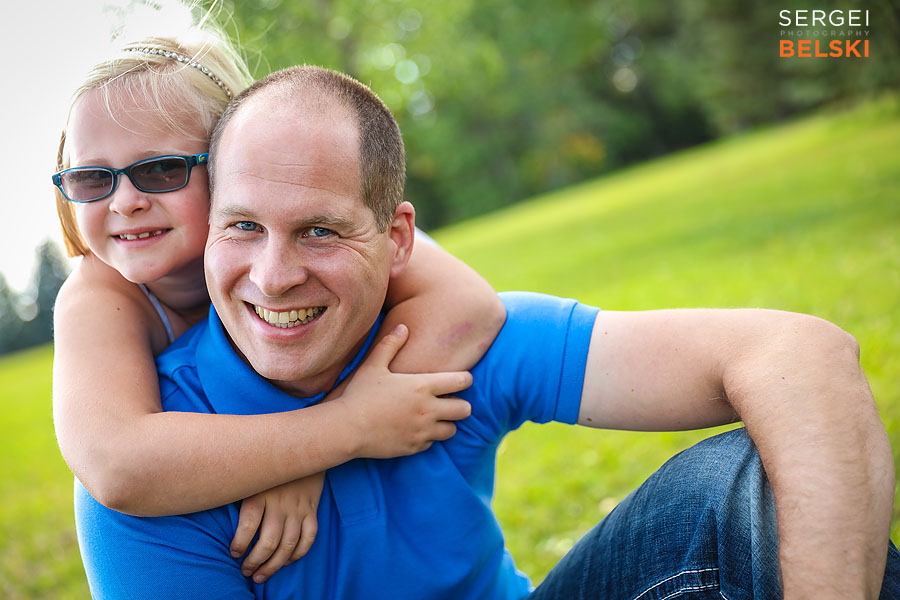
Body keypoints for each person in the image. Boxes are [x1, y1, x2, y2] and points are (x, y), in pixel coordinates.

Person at [74, 64, 899, 599]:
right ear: (210, 222)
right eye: (244, 226)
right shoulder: (159, 471)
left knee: (759, 475)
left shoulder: (434, 355)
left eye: (320, 230)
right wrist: (325, 436)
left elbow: (802, 354)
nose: (275, 274)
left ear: (397, 241)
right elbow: (120, 466)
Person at [51, 26, 505, 584]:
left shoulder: (329, 231)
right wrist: (334, 433)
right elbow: (115, 463)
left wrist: (320, 448)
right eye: (92, 177)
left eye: (161, 169)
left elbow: (468, 304)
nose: (125, 202)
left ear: (234, 161)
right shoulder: (99, 295)